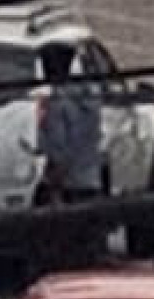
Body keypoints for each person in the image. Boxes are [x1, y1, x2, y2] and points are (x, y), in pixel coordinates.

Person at [34, 38, 104, 212]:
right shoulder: (90, 98)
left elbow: (59, 151)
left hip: (67, 189)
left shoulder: (57, 104)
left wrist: (53, 190)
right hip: (91, 180)